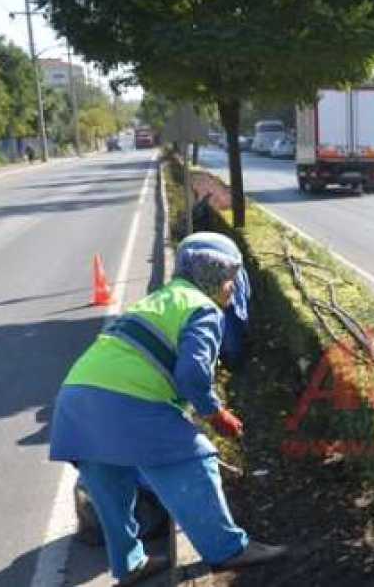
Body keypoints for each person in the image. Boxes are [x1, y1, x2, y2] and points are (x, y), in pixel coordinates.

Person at [49, 232, 286, 586]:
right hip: (127, 403)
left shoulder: (162, 298)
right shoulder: (202, 307)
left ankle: (130, 565)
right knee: (194, 461)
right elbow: (192, 373)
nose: (231, 291)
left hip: (75, 401)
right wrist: (215, 414)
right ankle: (229, 549)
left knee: (112, 490)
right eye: (230, 282)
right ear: (213, 277)